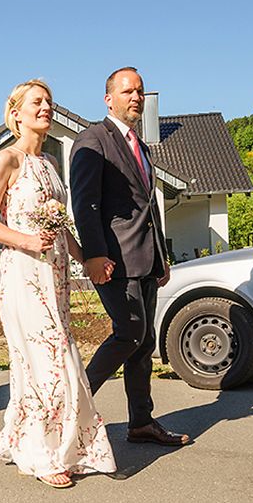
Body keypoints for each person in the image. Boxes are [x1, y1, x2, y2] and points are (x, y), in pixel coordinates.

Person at [0, 80, 116, 488]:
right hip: (22, 273)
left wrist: (85, 259)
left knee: (55, 353)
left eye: (49, 102)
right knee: (47, 358)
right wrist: (26, 240)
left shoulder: (52, 163)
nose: (46, 108)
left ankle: (57, 443)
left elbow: (60, 227)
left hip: (55, 275)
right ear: (16, 113)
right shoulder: (6, 160)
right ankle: (41, 452)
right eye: (36, 102)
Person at [69, 67, 188, 447]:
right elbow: (85, 203)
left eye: (139, 91)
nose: (135, 97)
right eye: (127, 91)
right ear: (109, 99)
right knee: (129, 333)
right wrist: (93, 255)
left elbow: (149, 207)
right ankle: (73, 407)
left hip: (147, 260)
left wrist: (162, 256)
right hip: (113, 261)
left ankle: (141, 422)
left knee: (144, 342)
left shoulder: (144, 148)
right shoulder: (93, 140)